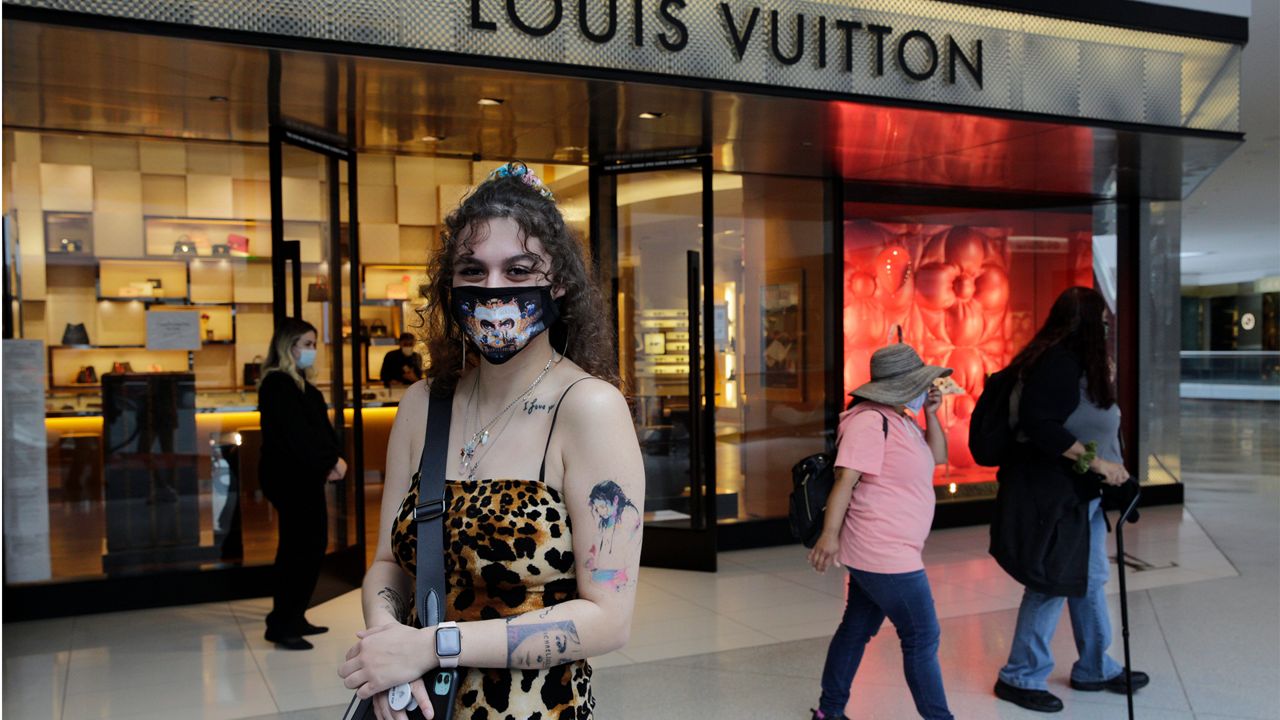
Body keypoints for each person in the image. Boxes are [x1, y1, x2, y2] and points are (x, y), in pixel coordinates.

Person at [339, 161, 644, 719]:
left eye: (519, 268)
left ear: (558, 282)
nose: (493, 288)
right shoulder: (423, 405)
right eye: (472, 270)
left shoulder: (588, 409)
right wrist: (386, 645)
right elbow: (389, 562)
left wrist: (429, 646)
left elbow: (609, 617)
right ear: (448, 285)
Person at [990, 286, 1147, 713]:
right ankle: (1019, 676)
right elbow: (1041, 424)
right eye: (1102, 321)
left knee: (1091, 579)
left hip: (1078, 494)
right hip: (1055, 494)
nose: (1106, 327)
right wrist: (1098, 464)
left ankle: (1095, 665)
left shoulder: (1068, 360)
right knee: (1051, 583)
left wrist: (1114, 472)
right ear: (1087, 324)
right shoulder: (1057, 362)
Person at [808, 343, 955, 720]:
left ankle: (830, 710)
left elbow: (937, 458)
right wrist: (829, 535)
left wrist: (933, 416)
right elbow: (845, 480)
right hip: (884, 552)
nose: (925, 389)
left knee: (856, 627)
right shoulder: (868, 421)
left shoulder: (900, 418)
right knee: (922, 636)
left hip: (890, 549)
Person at [258, 317, 347, 650]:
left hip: (306, 477)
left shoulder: (302, 386)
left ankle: (293, 615)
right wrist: (330, 461)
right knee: (299, 549)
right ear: (288, 347)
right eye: (307, 344)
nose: (312, 351)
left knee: (309, 547)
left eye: (313, 344)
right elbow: (295, 436)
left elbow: (319, 431)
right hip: (289, 479)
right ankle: (281, 623)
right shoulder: (277, 384)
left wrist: (332, 458)